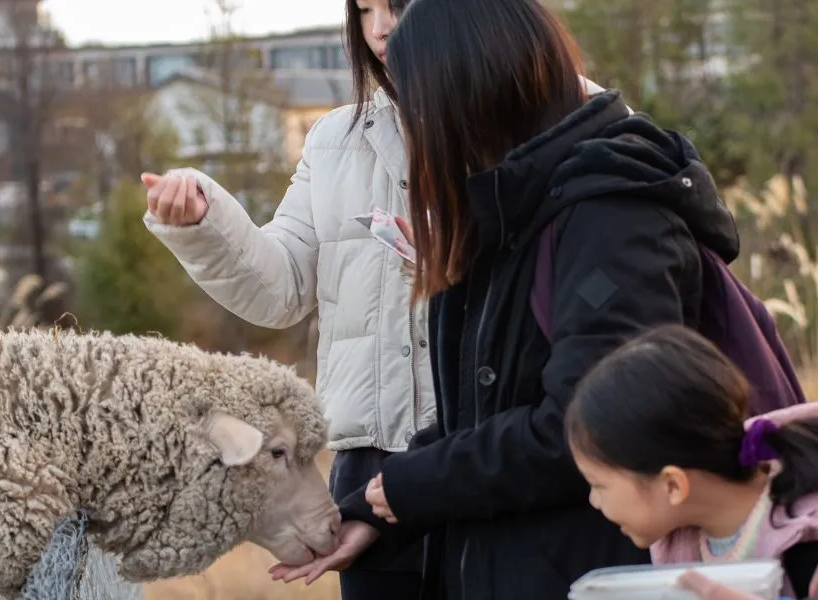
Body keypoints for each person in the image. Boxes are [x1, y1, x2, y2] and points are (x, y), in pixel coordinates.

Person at [269, 0, 746, 598]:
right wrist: (378, 513)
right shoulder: (506, 211)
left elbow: (585, 427)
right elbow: (480, 412)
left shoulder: (611, 216)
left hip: (586, 577)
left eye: (421, 106)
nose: (416, 128)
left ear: (474, 94)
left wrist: (412, 484)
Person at [139, 1, 434, 598]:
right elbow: (280, 290)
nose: (379, 29)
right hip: (370, 472)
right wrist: (204, 222)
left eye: (397, 5)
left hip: (496, 457)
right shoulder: (332, 141)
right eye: (364, 9)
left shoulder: (547, 114)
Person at [565, 325, 818, 599]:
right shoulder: (679, 543)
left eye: (598, 485)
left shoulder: (805, 540)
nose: (594, 500)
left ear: (673, 485)